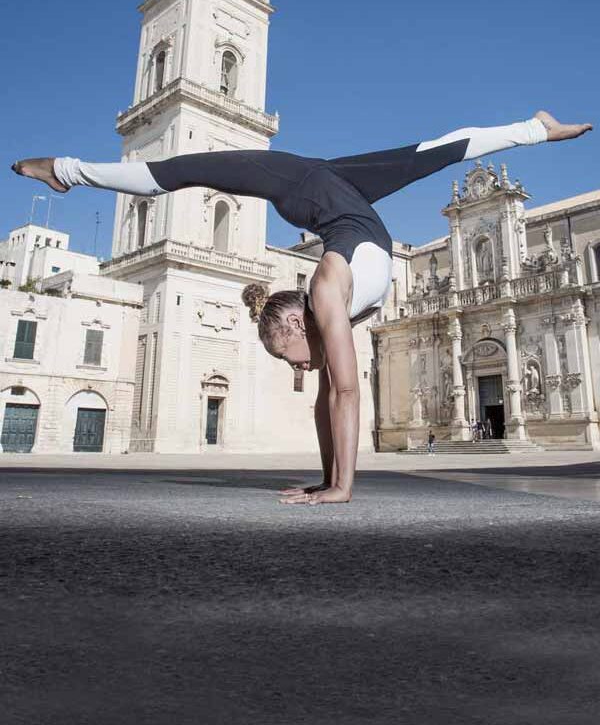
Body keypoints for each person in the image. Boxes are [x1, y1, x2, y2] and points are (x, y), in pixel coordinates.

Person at [12, 111, 592, 504]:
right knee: (434, 153)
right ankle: (533, 128)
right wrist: (325, 480)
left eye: (287, 353)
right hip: (345, 199)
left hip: (301, 184)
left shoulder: (323, 291)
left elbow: (343, 392)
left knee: (179, 172)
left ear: (295, 321)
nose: (295, 365)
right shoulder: (329, 302)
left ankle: (64, 171)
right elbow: (327, 399)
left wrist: (342, 488)